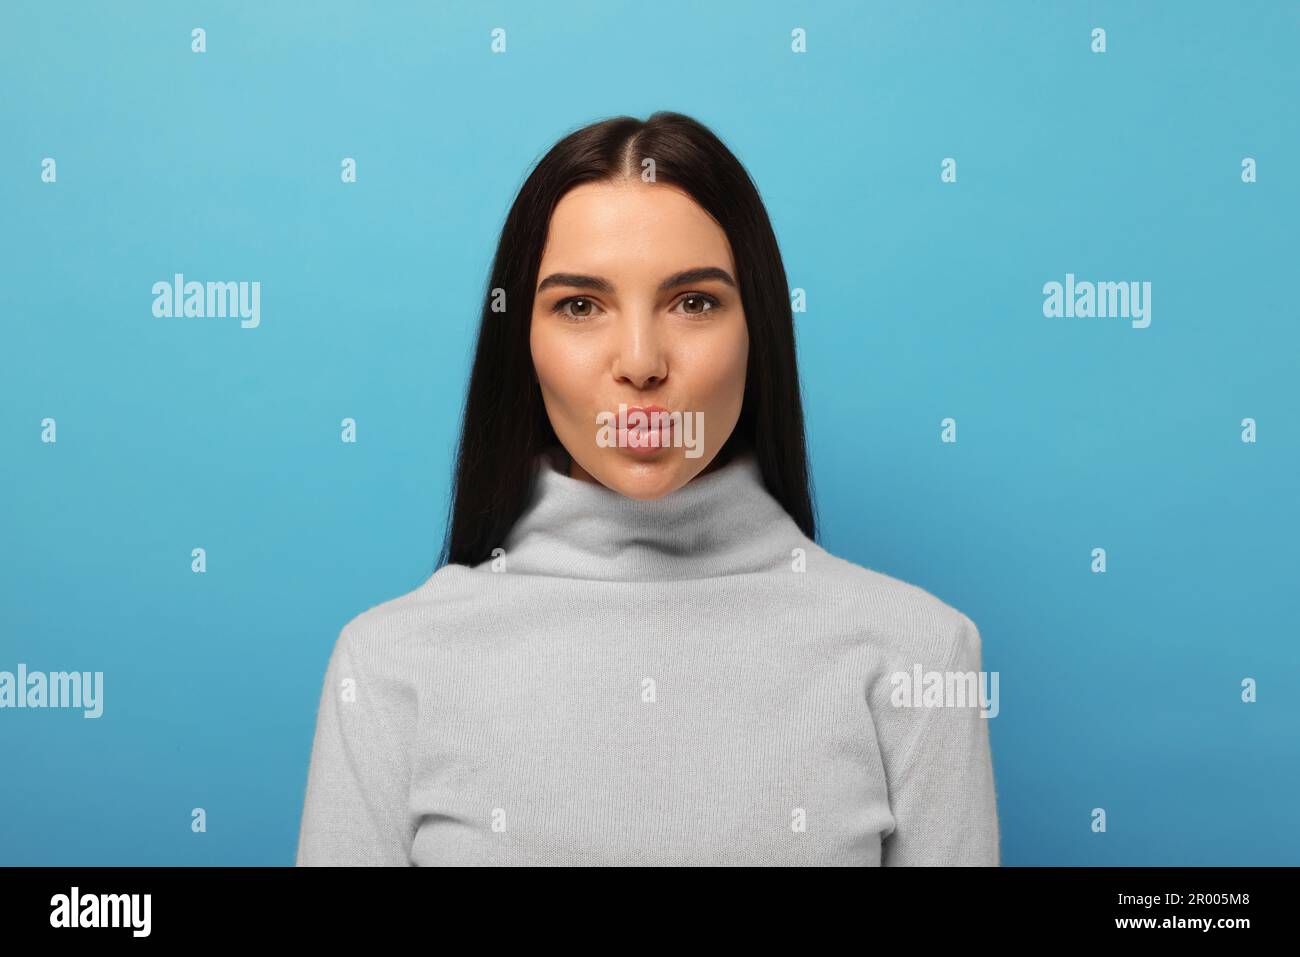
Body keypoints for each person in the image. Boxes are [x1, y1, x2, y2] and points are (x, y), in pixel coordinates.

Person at [295, 111, 999, 866]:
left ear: (756, 328)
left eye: (694, 301)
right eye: (580, 305)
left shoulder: (921, 655)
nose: (640, 362)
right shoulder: (387, 663)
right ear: (521, 343)